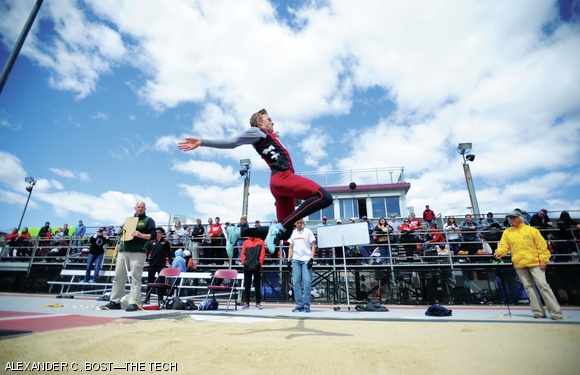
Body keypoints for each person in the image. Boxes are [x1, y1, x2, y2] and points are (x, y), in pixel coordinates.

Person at [178, 108, 333, 254]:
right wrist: (202, 141)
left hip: (279, 185)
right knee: (324, 197)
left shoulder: (266, 134)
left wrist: (272, 134)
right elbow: (233, 142)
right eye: (269, 120)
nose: (273, 123)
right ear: (259, 121)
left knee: (286, 233)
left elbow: (269, 141)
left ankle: (237, 231)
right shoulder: (256, 132)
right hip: (283, 177)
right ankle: (277, 227)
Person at [493, 210, 563, 320]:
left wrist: (543, 260)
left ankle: (555, 312)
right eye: (510, 218)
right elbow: (503, 246)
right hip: (519, 263)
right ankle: (538, 312)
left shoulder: (532, 230)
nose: (512, 219)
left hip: (535, 262)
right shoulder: (507, 232)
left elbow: (542, 246)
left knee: (543, 285)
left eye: (514, 217)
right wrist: (499, 252)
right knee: (529, 288)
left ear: (520, 218)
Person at [101, 201, 156, 312]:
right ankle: (115, 301)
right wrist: (121, 232)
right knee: (118, 276)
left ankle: (133, 302)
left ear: (145, 209)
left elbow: (153, 235)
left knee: (136, 278)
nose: (140, 209)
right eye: (138, 207)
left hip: (139, 251)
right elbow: (122, 234)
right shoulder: (128, 220)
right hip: (123, 250)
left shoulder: (149, 220)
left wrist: (140, 235)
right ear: (134, 208)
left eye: (142, 207)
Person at [287, 219, 316, 313]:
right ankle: (299, 305)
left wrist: (311, 259)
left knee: (307, 282)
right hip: (296, 260)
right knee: (296, 282)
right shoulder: (293, 233)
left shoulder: (308, 232)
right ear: (295, 223)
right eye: (298, 223)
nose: (299, 224)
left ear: (303, 223)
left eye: (301, 223)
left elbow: (313, 245)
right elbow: (291, 247)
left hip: (306, 260)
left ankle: (306, 305)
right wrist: (288, 260)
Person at [144, 227, 173, 304]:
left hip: (161, 265)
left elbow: (169, 253)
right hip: (152, 264)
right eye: (156, 232)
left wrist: (170, 263)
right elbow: (146, 252)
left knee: (161, 282)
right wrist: (145, 261)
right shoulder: (151, 242)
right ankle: (147, 298)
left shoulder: (166, 242)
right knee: (150, 281)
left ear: (162, 233)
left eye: (159, 232)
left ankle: (160, 299)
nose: (157, 233)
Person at [241, 236, 266, 309]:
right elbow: (243, 253)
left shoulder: (261, 242)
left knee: (257, 285)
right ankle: (246, 302)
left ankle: (258, 302)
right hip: (247, 266)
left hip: (256, 267)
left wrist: (259, 263)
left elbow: (262, 254)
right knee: (247, 285)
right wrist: (244, 262)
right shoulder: (246, 242)